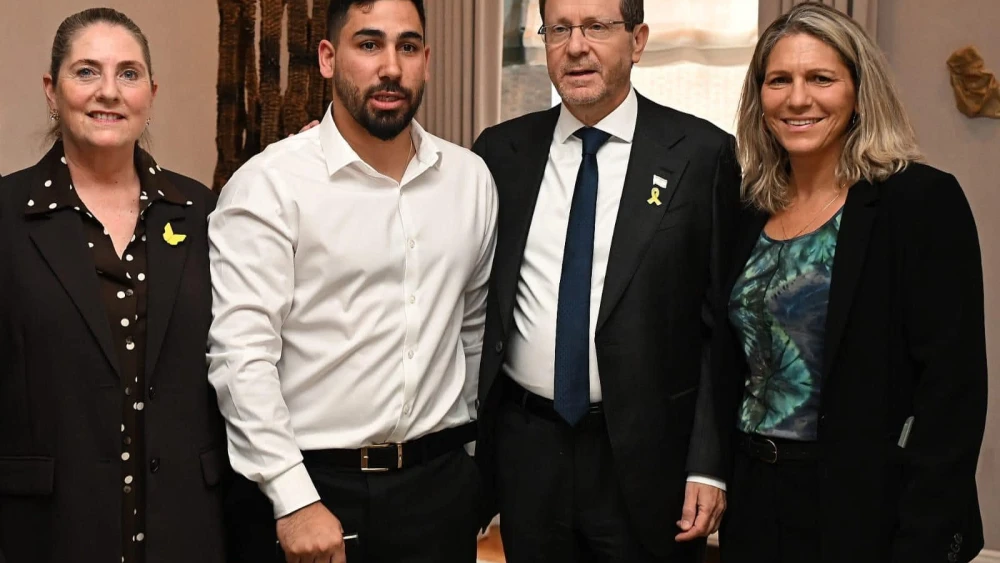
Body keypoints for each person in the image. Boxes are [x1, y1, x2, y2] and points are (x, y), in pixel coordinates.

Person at [207, 0, 497, 562]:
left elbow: (474, 330)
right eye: (368, 45)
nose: (391, 66)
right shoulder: (269, 185)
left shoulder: (470, 180)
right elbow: (241, 356)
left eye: (407, 47)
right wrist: (293, 498)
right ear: (327, 57)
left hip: (438, 491)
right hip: (312, 487)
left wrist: (469, 470)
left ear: (427, 60)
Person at [717, 4, 988, 563]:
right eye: (779, 80)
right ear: (758, 95)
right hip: (755, 497)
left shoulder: (918, 202)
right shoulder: (748, 208)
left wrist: (924, 537)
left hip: (870, 507)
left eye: (821, 78)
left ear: (860, 91)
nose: (797, 98)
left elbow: (952, 393)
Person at [471, 0, 741, 561]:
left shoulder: (701, 155)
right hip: (528, 450)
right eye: (560, 29)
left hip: (647, 456)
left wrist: (708, 464)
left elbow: (722, 328)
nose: (576, 46)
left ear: (637, 40)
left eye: (597, 27)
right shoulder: (500, 152)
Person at [0, 8, 229, 563]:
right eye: (87, 72)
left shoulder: (201, 209)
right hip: (49, 529)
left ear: (150, 92)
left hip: (188, 527)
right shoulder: (6, 215)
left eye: (128, 74)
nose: (109, 92)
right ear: (52, 91)